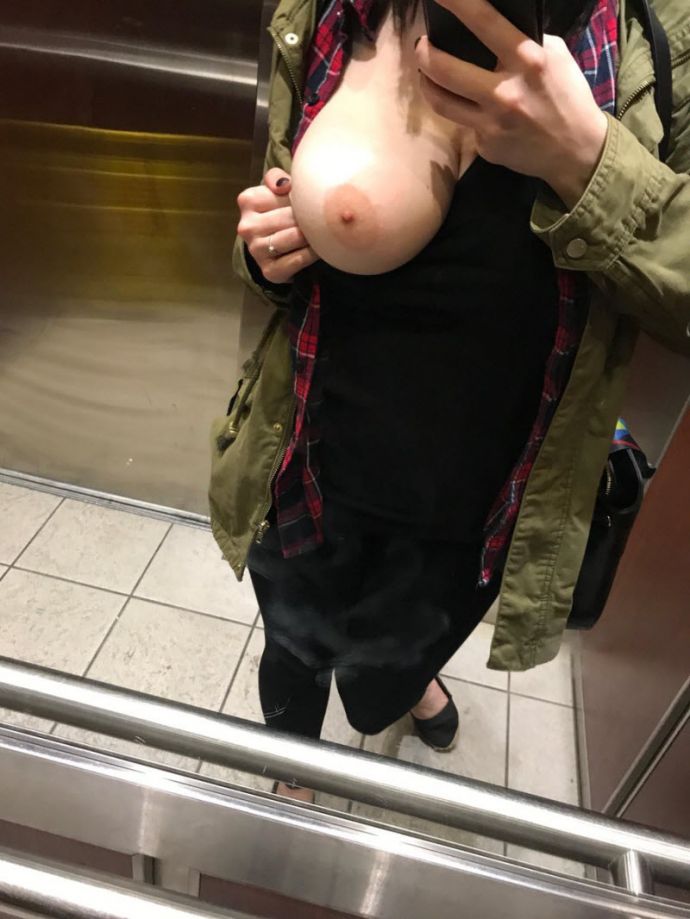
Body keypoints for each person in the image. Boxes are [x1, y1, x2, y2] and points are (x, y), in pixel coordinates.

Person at [209, 0, 690, 802]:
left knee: (380, 684)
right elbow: (276, 220)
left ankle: (404, 681)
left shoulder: (654, 34)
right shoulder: (334, 11)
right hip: (309, 463)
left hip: (471, 508)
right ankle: (294, 775)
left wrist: (587, 162)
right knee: (292, 652)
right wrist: (265, 253)